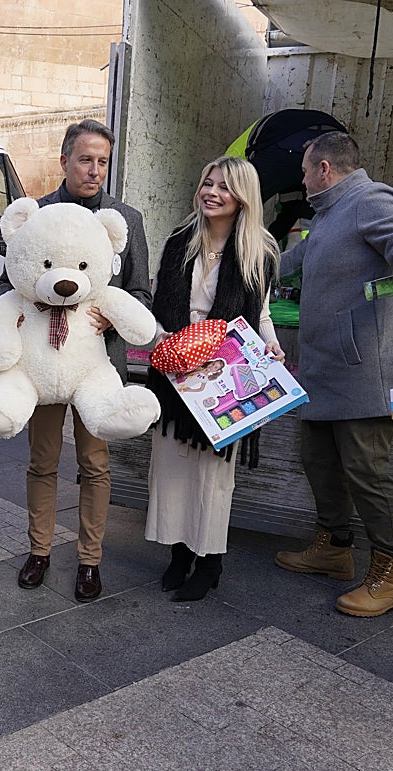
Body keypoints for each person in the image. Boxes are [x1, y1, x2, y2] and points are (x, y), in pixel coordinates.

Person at [273, 131, 393, 617]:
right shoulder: (325, 218)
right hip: (325, 372)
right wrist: (232, 265)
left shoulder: (371, 198)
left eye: (305, 171)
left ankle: (391, 576)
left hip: (366, 370)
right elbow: (283, 266)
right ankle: (333, 547)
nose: (302, 181)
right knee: (318, 461)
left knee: (367, 472)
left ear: (324, 168)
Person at [0, 118, 152, 603]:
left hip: (95, 367)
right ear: (64, 161)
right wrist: (24, 315)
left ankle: (89, 560)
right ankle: (39, 550)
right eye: (86, 160)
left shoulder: (125, 219)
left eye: (103, 162)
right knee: (42, 462)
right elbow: (9, 284)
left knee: (95, 464)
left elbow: (141, 291)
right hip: (41, 367)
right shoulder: (36, 214)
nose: (95, 170)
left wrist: (109, 318)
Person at [145, 156, 282, 601]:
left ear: (242, 197)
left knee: (213, 475)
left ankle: (210, 562)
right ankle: (179, 554)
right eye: (208, 182)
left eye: (224, 187)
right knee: (171, 468)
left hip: (223, 374)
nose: (212, 192)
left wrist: (272, 344)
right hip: (176, 371)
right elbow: (159, 303)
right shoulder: (179, 241)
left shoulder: (258, 251)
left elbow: (259, 311)